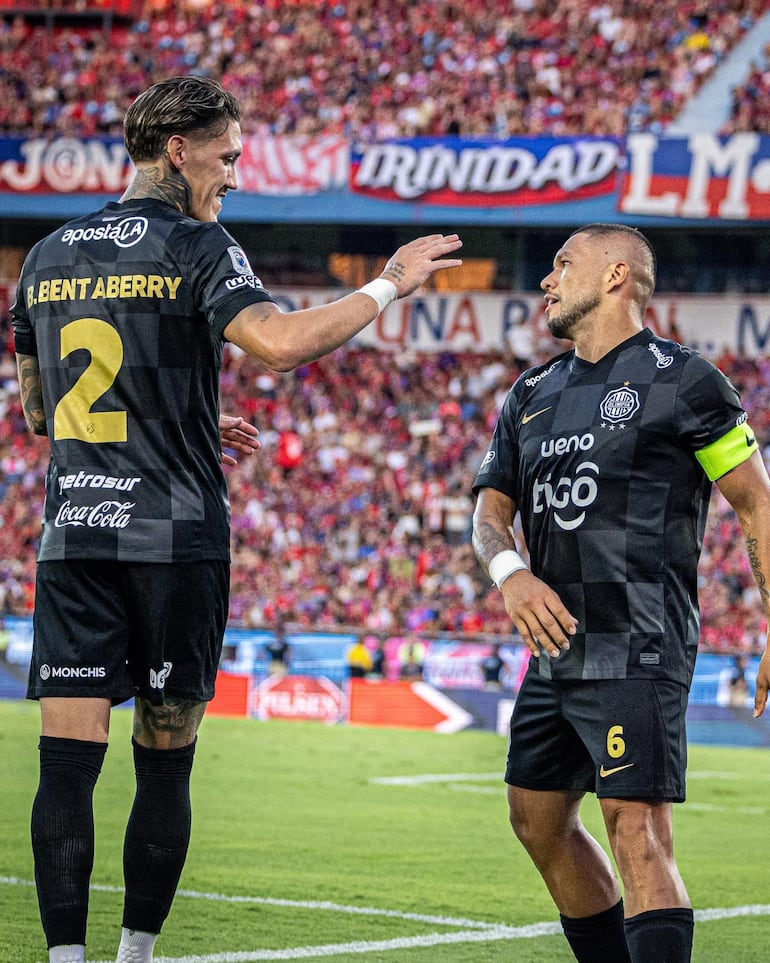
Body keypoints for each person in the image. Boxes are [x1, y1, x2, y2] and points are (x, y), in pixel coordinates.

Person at [12, 74, 462, 963]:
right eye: (226, 155)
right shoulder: (197, 243)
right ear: (178, 151)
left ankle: (63, 959)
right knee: (164, 751)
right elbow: (282, 345)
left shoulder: (46, 254)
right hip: (173, 539)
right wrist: (389, 283)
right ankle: (134, 956)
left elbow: (39, 410)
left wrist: (175, 412)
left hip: (74, 538)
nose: (234, 173)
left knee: (65, 762)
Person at [471, 222, 770, 963]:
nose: (546, 280)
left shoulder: (684, 380)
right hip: (555, 650)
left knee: (636, 830)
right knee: (537, 820)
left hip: (639, 641)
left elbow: (755, 502)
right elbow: (489, 512)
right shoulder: (531, 392)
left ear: (614, 276)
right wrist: (510, 572)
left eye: (561, 264)